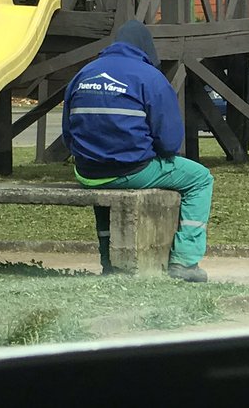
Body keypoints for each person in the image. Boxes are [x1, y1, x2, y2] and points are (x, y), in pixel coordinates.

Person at [63, 19, 214, 283]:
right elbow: (170, 142)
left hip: (88, 173)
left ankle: (109, 261)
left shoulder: (84, 74)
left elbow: (68, 134)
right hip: (132, 170)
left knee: (105, 185)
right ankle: (185, 260)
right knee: (200, 179)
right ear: (146, 48)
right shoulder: (149, 77)